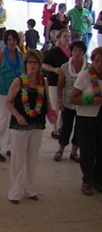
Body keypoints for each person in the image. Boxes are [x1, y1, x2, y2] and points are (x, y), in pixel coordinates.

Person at [5, 50, 57, 203]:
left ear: (40, 64)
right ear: (26, 64)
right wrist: (18, 116)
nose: (32, 65)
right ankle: (14, 192)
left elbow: (47, 102)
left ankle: (30, 190)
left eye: (35, 62)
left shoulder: (43, 82)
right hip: (20, 127)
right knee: (18, 161)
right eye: (30, 62)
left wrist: (51, 114)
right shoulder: (19, 81)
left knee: (32, 160)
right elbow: (8, 102)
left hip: (37, 125)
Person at [70, 46, 102, 196]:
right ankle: (87, 180)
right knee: (88, 151)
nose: (99, 64)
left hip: (100, 118)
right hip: (86, 118)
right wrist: (90, 100)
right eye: (96, 61)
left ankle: (98, 179)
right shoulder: (85, 76)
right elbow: (73, 98)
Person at [0, 30, 23, 162]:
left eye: (13, 39)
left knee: (14, 121)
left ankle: (10, 148)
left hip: (17, 92)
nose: (11, 42)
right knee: (3, 121)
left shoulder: (20, 55)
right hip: (3, 91)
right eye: (9, 40)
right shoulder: (1, 55)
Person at [55, 40, 86, 162]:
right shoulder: (65, 67)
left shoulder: (88, 67)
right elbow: (60, 85)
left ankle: (74, 152)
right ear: (71, 51)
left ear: (83, 52)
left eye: (80, 50)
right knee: (66, 127)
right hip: (68, 102)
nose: (77, 53)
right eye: (75, 50)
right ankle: (60, 150)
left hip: (82, 104)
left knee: (79, 128)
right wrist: (60, 100)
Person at [42, 29, 71, 139]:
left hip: (67, 82)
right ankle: (54, 128)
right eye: (65, 36)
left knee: (65, 104)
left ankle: (61, 127)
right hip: (54, 81)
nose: (67, 38)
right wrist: (54, 70)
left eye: (69, 36)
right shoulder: (55, 51)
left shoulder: (72, 50)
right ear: (59, 38)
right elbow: (44, 64)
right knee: (55, 104)